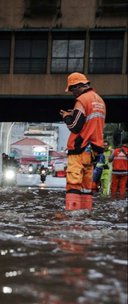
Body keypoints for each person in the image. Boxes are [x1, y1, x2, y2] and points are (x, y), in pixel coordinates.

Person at [60, 72, 106, 211]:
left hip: (79, 149)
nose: (73, 93)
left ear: (79, 86)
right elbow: (91, 124)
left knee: (73, 184)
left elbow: (75, 127)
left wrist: (67, 117)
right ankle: (85, 215)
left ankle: (71, 216)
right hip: (93, 151)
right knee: (86, 187)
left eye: (73, 89)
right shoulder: (100, 101)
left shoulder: (82, 101)